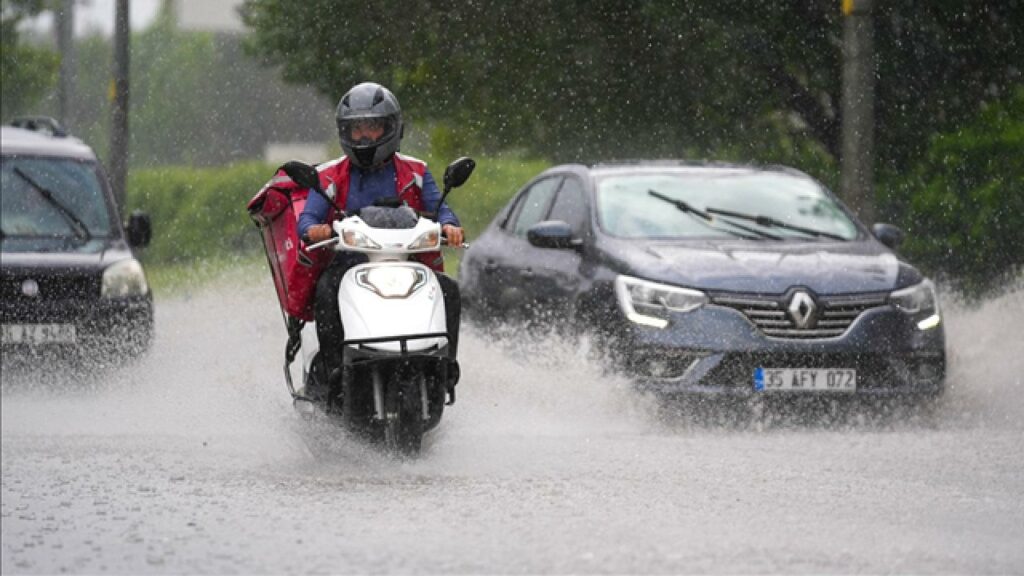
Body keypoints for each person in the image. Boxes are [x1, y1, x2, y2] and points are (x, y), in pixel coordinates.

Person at [296, 82, 464, 390]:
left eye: (372, 127)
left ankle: (444, 370)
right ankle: (335, 370)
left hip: (407, 260)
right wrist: (313, 229)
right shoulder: (330, 174)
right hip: (349, 263)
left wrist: (450, 227)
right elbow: (307, 218)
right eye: (356, 128)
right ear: (344, 132)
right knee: (326, 288)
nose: (363, 136)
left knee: (449, 290)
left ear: (391, 128)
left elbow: (441, 209)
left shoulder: (416, 170)